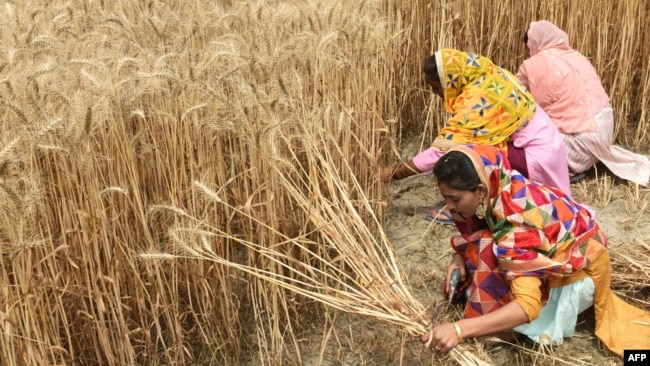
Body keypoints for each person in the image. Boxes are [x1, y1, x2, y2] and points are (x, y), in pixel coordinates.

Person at [420, 144, 649, 357]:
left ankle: (522, 330)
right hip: (577, 254)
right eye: (445, 198)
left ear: (480, 191)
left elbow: (528, 306)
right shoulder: (502, 182)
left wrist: (459, 329)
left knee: (490, 274)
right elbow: (485, 231)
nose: (449, 206)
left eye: (455, 198)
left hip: (583, 276)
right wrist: (459, 256)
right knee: (486, 247)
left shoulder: (515, 224)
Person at [381, 48, 571, 224]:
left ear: (451, 81)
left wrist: (393, 174)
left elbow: (439, 153)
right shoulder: (490, 74)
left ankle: (461, 209)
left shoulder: (477, 100)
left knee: (467, 154)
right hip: (550, 146)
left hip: (536, 157)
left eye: (436, 87)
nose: (434, 93)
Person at [517, 20, 650, 186]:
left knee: (522, 137)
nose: (529, 51)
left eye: (529, 45)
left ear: (535, 42)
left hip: (580, 143)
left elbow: (519, 101)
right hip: (603, 137)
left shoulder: (533, 65)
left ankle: (565, 169)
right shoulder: (577, 56)